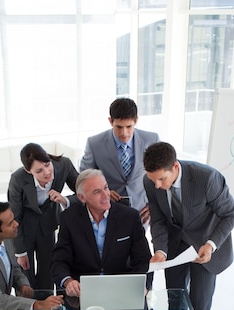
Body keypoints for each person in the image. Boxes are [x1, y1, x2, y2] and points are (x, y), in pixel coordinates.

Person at [143, 141, 234, 310]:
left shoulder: (207, 178)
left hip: (206, 246)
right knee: (175, 296)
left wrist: (211, 244)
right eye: (153, 180)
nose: (157, 185)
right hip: (176, 246)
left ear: (175, 167)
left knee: (199, 303)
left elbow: (230, 214)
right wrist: (161, 250)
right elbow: (159, 220)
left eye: (162, 179)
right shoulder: (150, 181)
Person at [51, 169, 151, 298]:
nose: (106, 195)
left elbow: (143, 259)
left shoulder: (129, 217)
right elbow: (59, 261)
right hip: (83, 292)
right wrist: (68, 282)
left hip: (121, 290)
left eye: (106, 188)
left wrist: (141, 285)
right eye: (97, 192)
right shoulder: (69, 218)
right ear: (82, 197)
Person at [8, 142, 79, 289]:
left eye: (47, 164)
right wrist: (20, 252)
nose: (46, 172)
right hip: (24, 226)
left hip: (48, 224)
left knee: (48, 270)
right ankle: (29, 308)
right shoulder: (18, 179)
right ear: (29, 171)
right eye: (39, 171)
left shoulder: (63, 165)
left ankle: (46, 308)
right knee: (25, 274)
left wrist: (65, 200)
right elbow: (14, 216)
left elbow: (84, 191)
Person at [80, 97, 159, 226]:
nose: (124, 133)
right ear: (110, 121)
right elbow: (84, 177)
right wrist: (102, 191)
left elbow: (160, 176)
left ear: (136, 121)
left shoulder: (152, 139)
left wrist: (155, 206)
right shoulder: (94, 143)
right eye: (119, 127)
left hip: (142, 212)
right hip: (108, 211)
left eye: (129, 126)